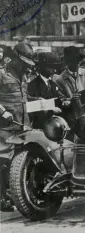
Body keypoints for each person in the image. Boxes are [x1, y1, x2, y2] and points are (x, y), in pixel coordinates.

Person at [0, 42, 35, 212]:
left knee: (19, 162)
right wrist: (2, 111)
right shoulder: (2, 75)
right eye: (23, 63)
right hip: (5, 128)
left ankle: (15, 194)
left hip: (23, 127)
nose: (25, 66)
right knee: (3, 162)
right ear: (15, 59)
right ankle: (1, 198)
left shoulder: (24, 76)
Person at [53, 46, 85, 126]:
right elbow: (61, 103)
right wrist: (71, 100)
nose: (77, 63)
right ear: (68, 62)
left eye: (78, 60)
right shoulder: (59, 80)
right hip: (72, 121)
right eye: (74, 61)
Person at [27, 52, 62, 129]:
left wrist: (64, 101)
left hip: (54, 125)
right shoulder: (33, 85)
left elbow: (58, 99)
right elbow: (31, 107)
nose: (55, 70)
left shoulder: (53, 83)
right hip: (41, 126)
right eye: (51, 67)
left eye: (55, 67)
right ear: (42, 67)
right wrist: (50, 109)